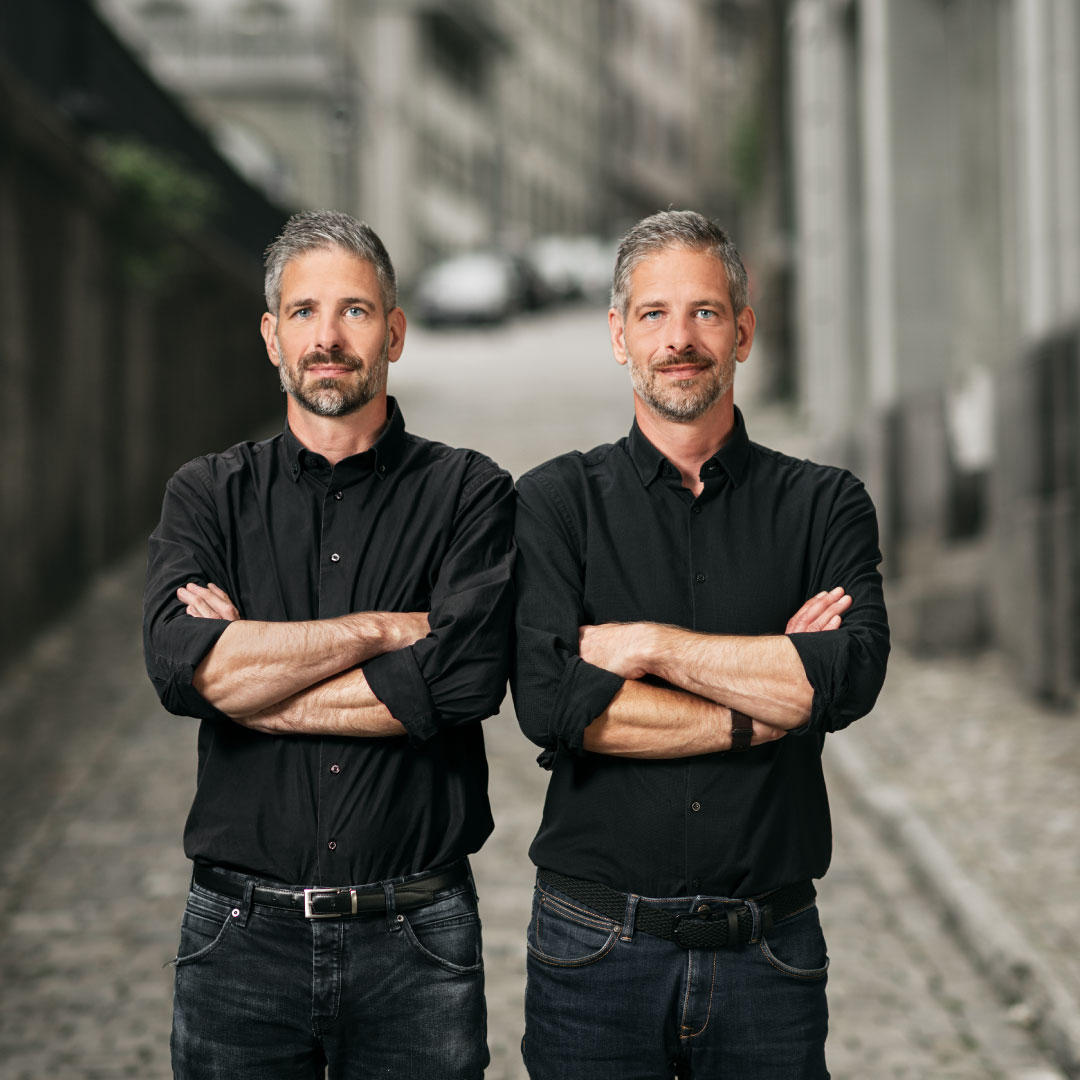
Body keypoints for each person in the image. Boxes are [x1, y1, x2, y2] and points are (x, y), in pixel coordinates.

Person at [511, 210, 889, 1079]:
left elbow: (844, 677)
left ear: (745, 331)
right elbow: (552, 704)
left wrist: (645, 645)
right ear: (618, 335)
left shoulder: (825, 506)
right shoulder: (555, 503)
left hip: (770, 955)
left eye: (707, 313)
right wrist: (765, 703)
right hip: (592, 950)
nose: (679, 340)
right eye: (653, 315)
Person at [143, 210, 514, 1079]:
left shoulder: (469, 493)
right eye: (304, 312)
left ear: (395, 331)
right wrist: (380, 630)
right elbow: (176, 663)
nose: (328, 336)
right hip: (238, 941)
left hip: (417, 938)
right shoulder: (207, 495)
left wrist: (250, 674)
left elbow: (459, 680)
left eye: (354, 310)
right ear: (272, 337)